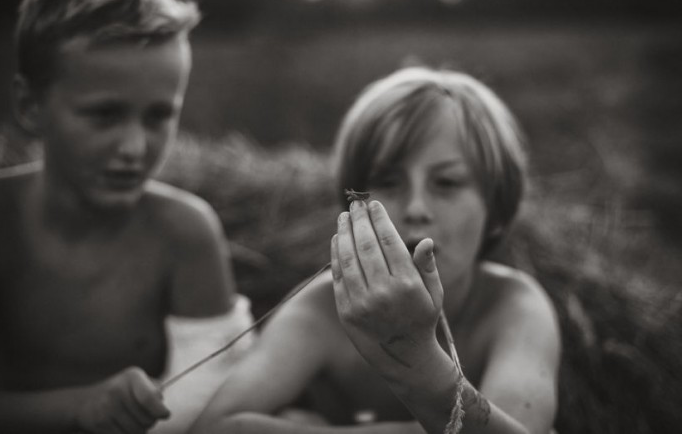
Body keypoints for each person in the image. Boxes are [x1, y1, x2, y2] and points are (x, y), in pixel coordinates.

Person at [190, 66, 562, 433]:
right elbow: (216, 427)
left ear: (495, 210)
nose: (416, 207)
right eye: (388, 181)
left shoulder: (512, 307)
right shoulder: (322, 309)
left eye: (446, 183)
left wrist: (413, 355)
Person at [0, 0, 253, 433]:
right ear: (30, 106)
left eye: (158, 117)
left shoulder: (186, 234)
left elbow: (213, 396)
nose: (134, 148)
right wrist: (80, 407)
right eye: (104, 115)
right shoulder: (0, 223)